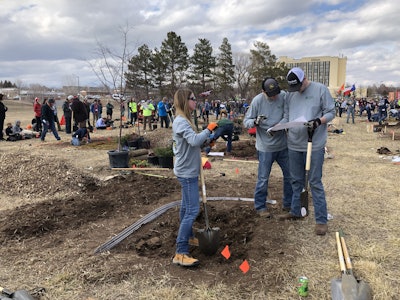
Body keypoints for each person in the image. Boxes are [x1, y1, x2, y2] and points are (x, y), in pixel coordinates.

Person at [279, 67, 335, 236]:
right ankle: (297, 210)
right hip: (294, 144)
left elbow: (331, 112)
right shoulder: (290, 94)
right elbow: (287, 115)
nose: (297, 91)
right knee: (295, 180)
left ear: (305, 79)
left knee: (315, 181)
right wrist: (278, 127)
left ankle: (321, 220)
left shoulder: (320, 90)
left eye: (299, 86)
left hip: (314, 144)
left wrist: (319, 121)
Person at [172, 88, 218, 267]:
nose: (195, 101)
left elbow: (193, 143)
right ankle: (181, 252)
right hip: (187, 173)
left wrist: (208, 141)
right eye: (192, 99)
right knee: (192, 210)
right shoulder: (181, 122)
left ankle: (189, 237)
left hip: (187, 169)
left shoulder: (184, 120)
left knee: (185, 208)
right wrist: (208, 130)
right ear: (185, 101)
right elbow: (193, 141)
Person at [243, 78, 293, 217]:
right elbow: (246, 121)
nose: (274, 96)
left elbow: (287, 115)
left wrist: (279, 126)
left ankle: (288, 204)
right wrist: (255, 121)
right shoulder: (257, 101)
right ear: (263, 91)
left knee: (289, 176)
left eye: (276, 93)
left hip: (282, 145)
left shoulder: (283, 96)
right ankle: (260, 206)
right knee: (263, 178)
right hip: (265, 147)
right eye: (271, 94)